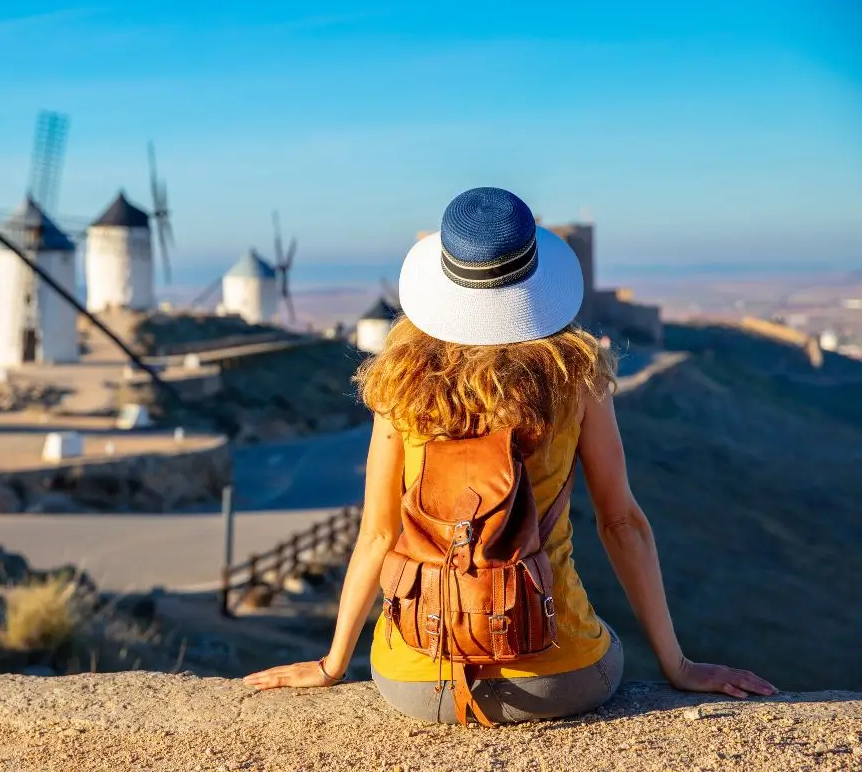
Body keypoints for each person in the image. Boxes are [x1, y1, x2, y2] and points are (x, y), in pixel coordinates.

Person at [243, 187, 776, 724]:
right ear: (535, 279)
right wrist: (677, 665)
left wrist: (334, 664)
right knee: (601, 641)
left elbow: (378, 535)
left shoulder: (398, 386)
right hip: (554, 679)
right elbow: (621, 523)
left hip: (416, 680)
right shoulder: (577, 378)